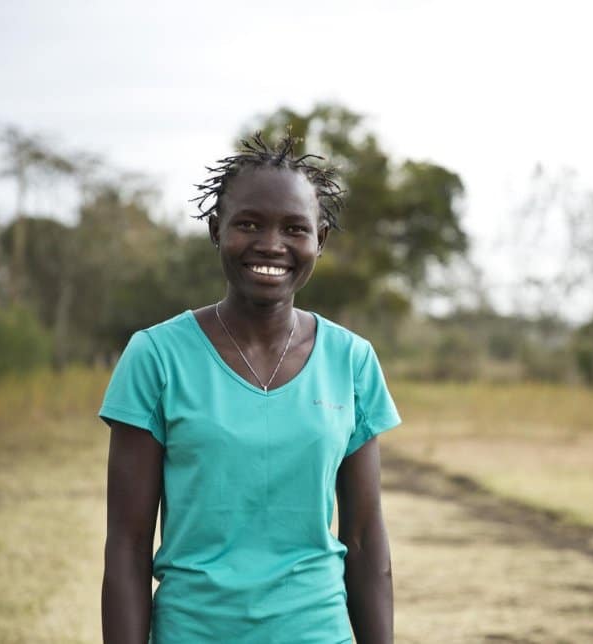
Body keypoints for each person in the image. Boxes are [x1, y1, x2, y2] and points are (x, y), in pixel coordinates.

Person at [99, 132, 400, 643]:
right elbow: (127, 547)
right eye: (249, 224)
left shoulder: (352, 360)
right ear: (216, 230)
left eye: (294, 229)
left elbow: (366, 541)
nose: (270, 245)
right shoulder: (156, 357)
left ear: (319, 241)